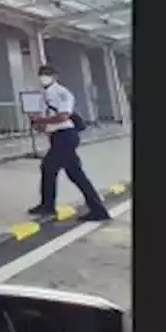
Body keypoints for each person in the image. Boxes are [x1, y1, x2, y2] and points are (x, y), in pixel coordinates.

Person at [27, 64, 110, 221]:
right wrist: (41, 125)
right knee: (73, 173)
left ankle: (48, 206)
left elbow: (63, 116)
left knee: (49, 167)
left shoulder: (62, 93)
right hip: (58, 137)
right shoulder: (45, 94)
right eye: (41, 74)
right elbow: (51, 120)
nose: (43, 77)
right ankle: (97, 209)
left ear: (55, 76)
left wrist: (41, 119)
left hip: (65, 136)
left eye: (47, 74)